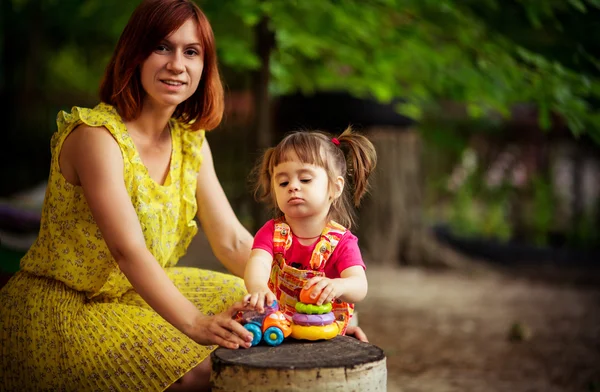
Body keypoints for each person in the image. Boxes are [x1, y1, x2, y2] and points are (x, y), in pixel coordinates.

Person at [0, 1, 256, 391]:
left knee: (252, 299)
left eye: (191, 52)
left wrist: (304, 294)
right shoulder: (96, 137)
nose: (176, 64)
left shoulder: (191, 144)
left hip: (132, 293)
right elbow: (128, 250)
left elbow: (232, 239)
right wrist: (195, 323)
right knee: (200, 371)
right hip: (66, 307)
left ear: (205, 67)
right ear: (134, 55)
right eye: (161, 47)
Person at [243, 127, 377, 337]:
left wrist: (337, 285)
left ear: (335, 187)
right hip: (278, 323)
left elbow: (360, 286)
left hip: (325, 329)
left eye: (305, 179)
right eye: (283, 181)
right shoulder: (271, 232)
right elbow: (258, 263)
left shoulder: (342, 242)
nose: (293, 187)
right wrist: (258, 287)